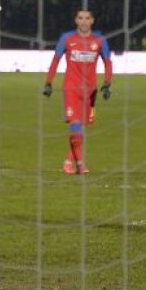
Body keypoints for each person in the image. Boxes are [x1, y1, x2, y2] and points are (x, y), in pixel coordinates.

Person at [42, 10, 113, 175]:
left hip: (90, 90)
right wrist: (48, 82)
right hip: (71, 88)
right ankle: (80, 164)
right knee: (75, 124)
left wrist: (107, 83)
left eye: (87, 18)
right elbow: (55, 60)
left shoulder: (100, 41)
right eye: (80, 18)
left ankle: (68, 162)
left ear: (92, 20)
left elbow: (108, 62)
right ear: (76, 20)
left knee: (80, 128)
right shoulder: (66, 38)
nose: (84, 21)